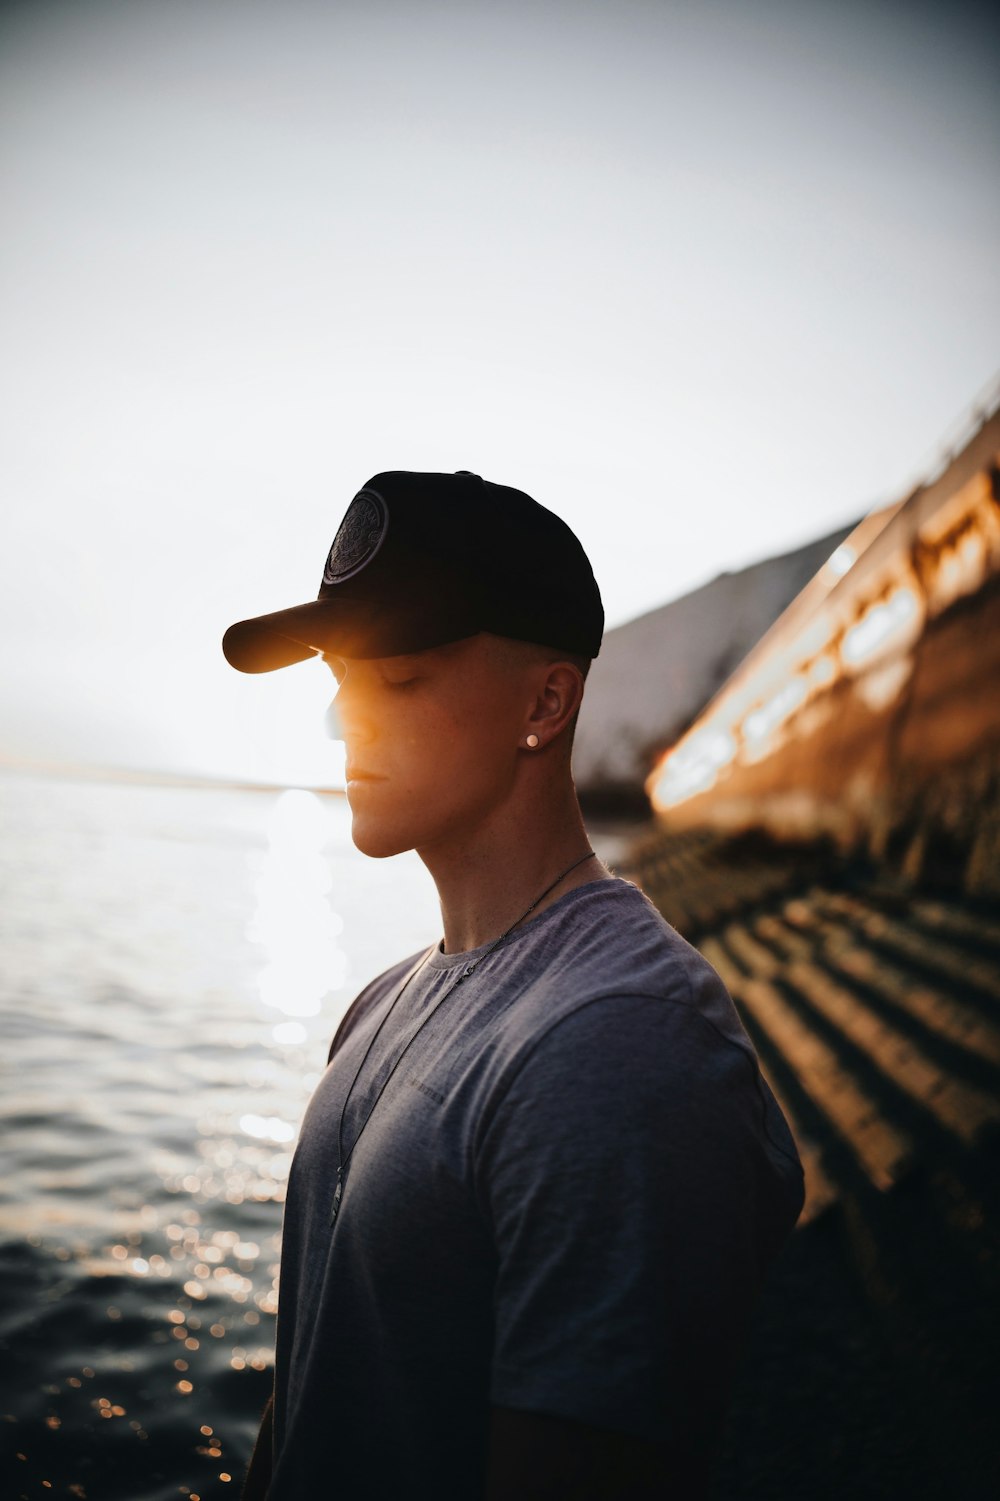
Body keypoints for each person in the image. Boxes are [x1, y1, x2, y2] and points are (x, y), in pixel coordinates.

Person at [222, 470, 804, 1500]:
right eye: (337, 676)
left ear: (545, 700)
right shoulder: (384, 1000)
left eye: (396, 677)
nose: (340, 720)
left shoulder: (622, 1042)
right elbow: (317, 1385)